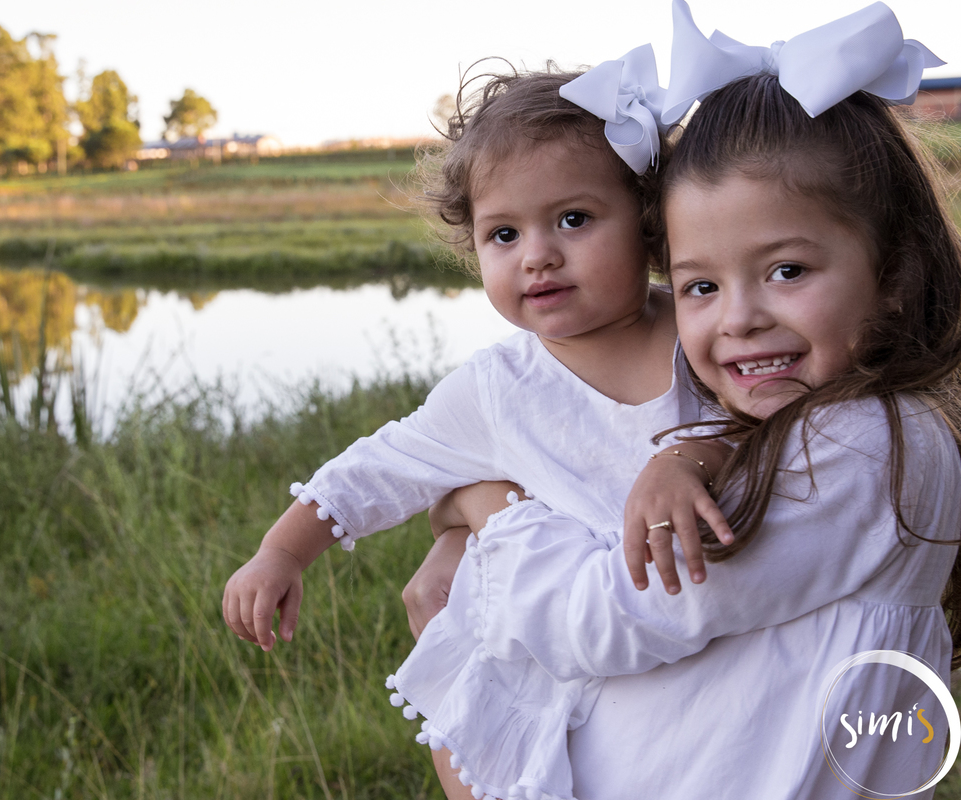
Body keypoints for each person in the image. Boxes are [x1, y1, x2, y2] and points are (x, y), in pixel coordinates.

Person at [400, 5, 961, 797]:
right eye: (700, 284)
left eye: (788, 271)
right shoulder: (821, 428)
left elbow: (614, 616)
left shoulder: (867, 447)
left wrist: (489, 511)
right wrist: (687, 450)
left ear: (897, 274)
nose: (738, 319)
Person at [222, 48, 735, 799]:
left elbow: (772, 431)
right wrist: (281, 553)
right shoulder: (498, 389)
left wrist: (699, 454)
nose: (538, 256)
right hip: (548, 651)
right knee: (494, 763)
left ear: (650, 221)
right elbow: (380, 467)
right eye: (504, 235)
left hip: (678, 641)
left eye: (573, 219)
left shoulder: (701, 331)